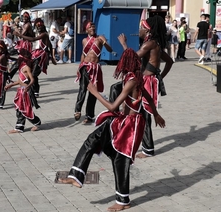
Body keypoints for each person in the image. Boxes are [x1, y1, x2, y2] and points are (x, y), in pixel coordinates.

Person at [59, 48, 166, 211]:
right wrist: (156, 114)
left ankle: (123, 201)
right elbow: (148, 97)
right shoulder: (132, 77)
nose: (120, 63)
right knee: (92, 139)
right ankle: (76, 175)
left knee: (120, 159)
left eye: (123, 60)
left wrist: (95, 93)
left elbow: (113, 106)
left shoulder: (132, 81)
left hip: (131, 125)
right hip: (121, 121)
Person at [118, 15, 173, 158]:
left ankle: (148, 149)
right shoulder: (155, 43)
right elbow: (170, 61)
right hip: (148, 80)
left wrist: (124, 44)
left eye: (142, 27)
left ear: (148, 31)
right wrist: (159, 76)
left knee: (143, 114)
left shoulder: (148, 44)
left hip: (147, 82)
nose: (140, 29)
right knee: (136, 110)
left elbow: (131, 58)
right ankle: (132, 141)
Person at [74, 22, 113, 124]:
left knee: (93, 92)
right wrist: (79, 67)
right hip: (85, 67)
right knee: (82, 88)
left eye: (93, 27)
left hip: (95, 67)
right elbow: (83, 54)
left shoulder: (99, 38)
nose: (92, 28)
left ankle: (89, 116)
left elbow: (110, 49)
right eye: (90, 27)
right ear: (86, 30)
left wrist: (104, 42)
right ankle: (77, 110)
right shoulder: (84, 41)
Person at [17, 18, 57, 98]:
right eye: (37, 26)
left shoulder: (44, 34)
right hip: (38, 54)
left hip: (42, 56)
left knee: (33, 74)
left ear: (43, 26)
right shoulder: (43, 34)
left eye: (40, 26)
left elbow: (33, 39)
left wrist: (20, 35)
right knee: (33, 73)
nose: (38, 28)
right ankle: (35, 91)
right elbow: (50, 45)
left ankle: (34, 91)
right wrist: (52, 57)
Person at [5, 48, 41, 133]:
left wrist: (28, 86)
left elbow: (32, 79)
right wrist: (11, 85)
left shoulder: (26, 67)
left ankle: (33, 123)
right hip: (20, 91)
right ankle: (25, 125)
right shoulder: (21, 66)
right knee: (19, 109)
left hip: (25, 91)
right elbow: (20, 81)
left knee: (24, 109)